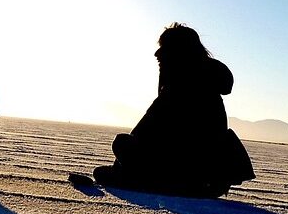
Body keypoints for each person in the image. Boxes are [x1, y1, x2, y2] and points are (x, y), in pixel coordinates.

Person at [88, 23, 254, 197]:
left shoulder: (183, 89)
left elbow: (148, 132)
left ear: (179, 52)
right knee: (121, 150)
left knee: (121, 144)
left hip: (189, 176)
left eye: (164, 49)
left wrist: (121, 168)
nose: (157, 54)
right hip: (203, 177)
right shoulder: (199, 83)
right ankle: (143, 179)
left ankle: (150, 183)